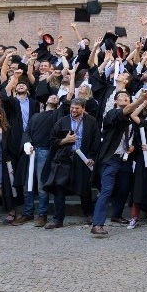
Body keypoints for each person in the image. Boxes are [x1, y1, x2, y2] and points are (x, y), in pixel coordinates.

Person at [90, 90, 147, 236]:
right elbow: (124, 113)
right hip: (111, 158)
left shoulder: (132, 119)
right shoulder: (111, 114)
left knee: (123, 189)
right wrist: (141, 100)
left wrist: (133, 146)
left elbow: (134, 136)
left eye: (127, 97)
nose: (125, 98)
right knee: (107, 190)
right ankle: (97, 224)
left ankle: (116, 215)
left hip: (126, 159)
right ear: (115, 101)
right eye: (121, 97)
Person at [43, 97, 99, 229]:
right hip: (64, 159)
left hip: (83, 159)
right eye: (72, 108)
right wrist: (65, 140)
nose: (73, 110)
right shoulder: (62, 121)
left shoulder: (91, 121)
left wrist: (91, 157)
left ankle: (89, 214)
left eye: (77, 108)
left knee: (85, 189)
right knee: (59, 189)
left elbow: (95, 141)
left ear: (83, 109)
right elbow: (52, 141)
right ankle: (58, 219)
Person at [18, 93, 60, 227]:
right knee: (27, 184)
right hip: (31, 150)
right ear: (44, 101)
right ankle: (28, 212)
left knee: (42, 185)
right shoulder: (35, 116)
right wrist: (27, 143)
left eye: (56, 97)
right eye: (51, 96)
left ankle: (42, 214)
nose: (53, 97)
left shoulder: (57, 115)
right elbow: (27, 131)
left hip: (45, 151)